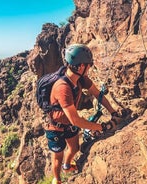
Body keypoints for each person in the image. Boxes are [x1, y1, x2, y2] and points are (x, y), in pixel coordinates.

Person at [44, 44, 122, 184]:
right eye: (89, 64)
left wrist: (113, 112)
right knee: (57, 156)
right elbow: (75, 120)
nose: (90, 67)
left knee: (75, 148)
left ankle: (67, 166)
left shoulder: (81, 79)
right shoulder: (63, 88)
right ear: (80, 66)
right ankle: (57, 179)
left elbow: (98, 94)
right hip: (55, 127)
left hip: (68, 124)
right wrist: (102, 127)